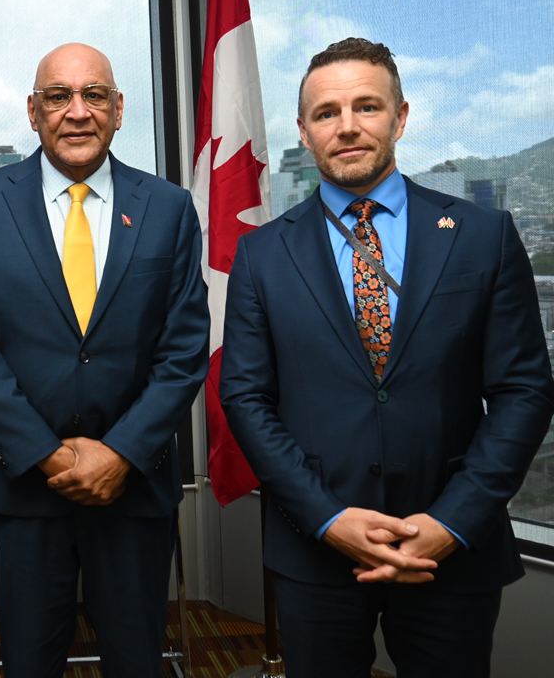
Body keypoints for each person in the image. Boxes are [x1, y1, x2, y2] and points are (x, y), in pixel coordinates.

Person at [220, 37, 554, 677]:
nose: (346, 126)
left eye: (366, 107)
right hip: (316, 546)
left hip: (450, 548)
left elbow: (523, 391)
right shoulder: (262, 255)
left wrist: (452, 522)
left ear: (400, 118)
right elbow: (245, 396)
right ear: (304, 131)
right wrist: (327, 518)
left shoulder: (483, 236)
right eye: (326, 113)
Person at [0, 43, 210, 677]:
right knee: (29, 661)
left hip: (134, 485)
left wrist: (119, 454)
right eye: (58, 97)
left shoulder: (168, 208)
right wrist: (47, 454)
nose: (77, 111)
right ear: (33, 113)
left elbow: (184, 348)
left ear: (118, 110)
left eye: (94, 96)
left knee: (137, 660)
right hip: (28, 485)